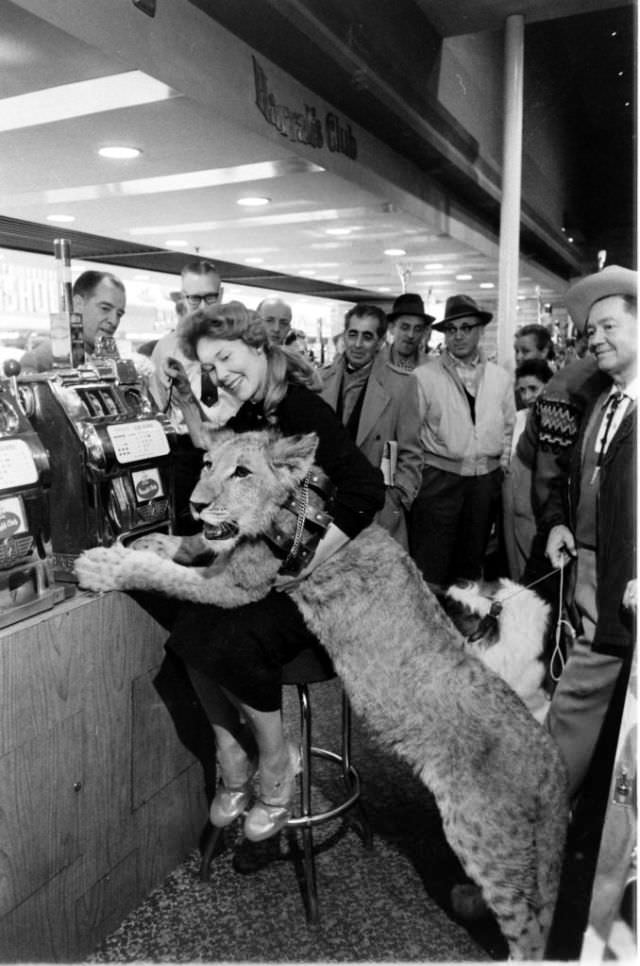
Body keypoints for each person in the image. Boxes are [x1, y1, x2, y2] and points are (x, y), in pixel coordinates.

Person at [161, 302, 385, 842]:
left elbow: (365, 492)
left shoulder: (301, 409)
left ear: (259, 347)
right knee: (188, 635)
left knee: (231, 639)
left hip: (322, 589)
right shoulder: (250, 410)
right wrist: (192, 404)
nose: (221, 373)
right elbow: (213, 457)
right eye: (209, 366)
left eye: (226, 357)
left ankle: (278, 766)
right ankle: (235, 759)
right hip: (272, 573)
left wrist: (308, 559)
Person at [541, 265, 636, 801]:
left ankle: (532, 850)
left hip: (619, 590)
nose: (594, 338)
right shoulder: (603, 399)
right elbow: (572, 474)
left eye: (608, 326)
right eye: (589, 330)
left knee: (571, 714)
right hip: (588, 575)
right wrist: (559, 521)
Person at [409, 294, 516, 587]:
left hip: (485, 482)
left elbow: (509, 428)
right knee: (431, 563)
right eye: (452, 330)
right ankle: (429, 628)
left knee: (471, 564)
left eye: (466, 328)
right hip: (439, 480)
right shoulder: (424, 376)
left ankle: (463, 628)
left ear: (480, 331)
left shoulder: (500, 378)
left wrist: (500, 470)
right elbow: (410, 434)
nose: (458, 336)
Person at [320, 304, 422, 548]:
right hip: (325, 504)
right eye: (352, 334)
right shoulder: (320, 381)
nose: (357, 344)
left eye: (367, 337)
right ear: (343, 336)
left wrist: (395, 499)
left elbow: (411, 455)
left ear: (380, 342)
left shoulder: (401, 385)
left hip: (375, 508)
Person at [148, 261, 237, 533]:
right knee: (188, 532)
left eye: (209, 297)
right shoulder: (166, 347)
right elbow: (158, 407)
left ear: (220, 295)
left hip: (230, 453)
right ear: (183, 297)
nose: (202, 306)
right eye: (194, 298)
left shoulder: (238, 343)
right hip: (186, 454)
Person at [502, 358, 553, 581]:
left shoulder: (558, 422)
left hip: (540, 513)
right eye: (522, 391)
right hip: (515, 512)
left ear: (549, 386)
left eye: (533, 388)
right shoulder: (518, 419)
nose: (527, 397)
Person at [20, 270, 126, 372]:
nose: (114, 321)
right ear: (78, 304)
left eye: (119, 314)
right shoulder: (44, 358)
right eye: (105, 308)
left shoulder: (109, 359)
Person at [386, 293, 434, 370]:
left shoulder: (432, 367)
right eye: (405, 327)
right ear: (391, 328)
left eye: (417, 329)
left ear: (423, 332)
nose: (411, 335)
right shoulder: (374, 363)